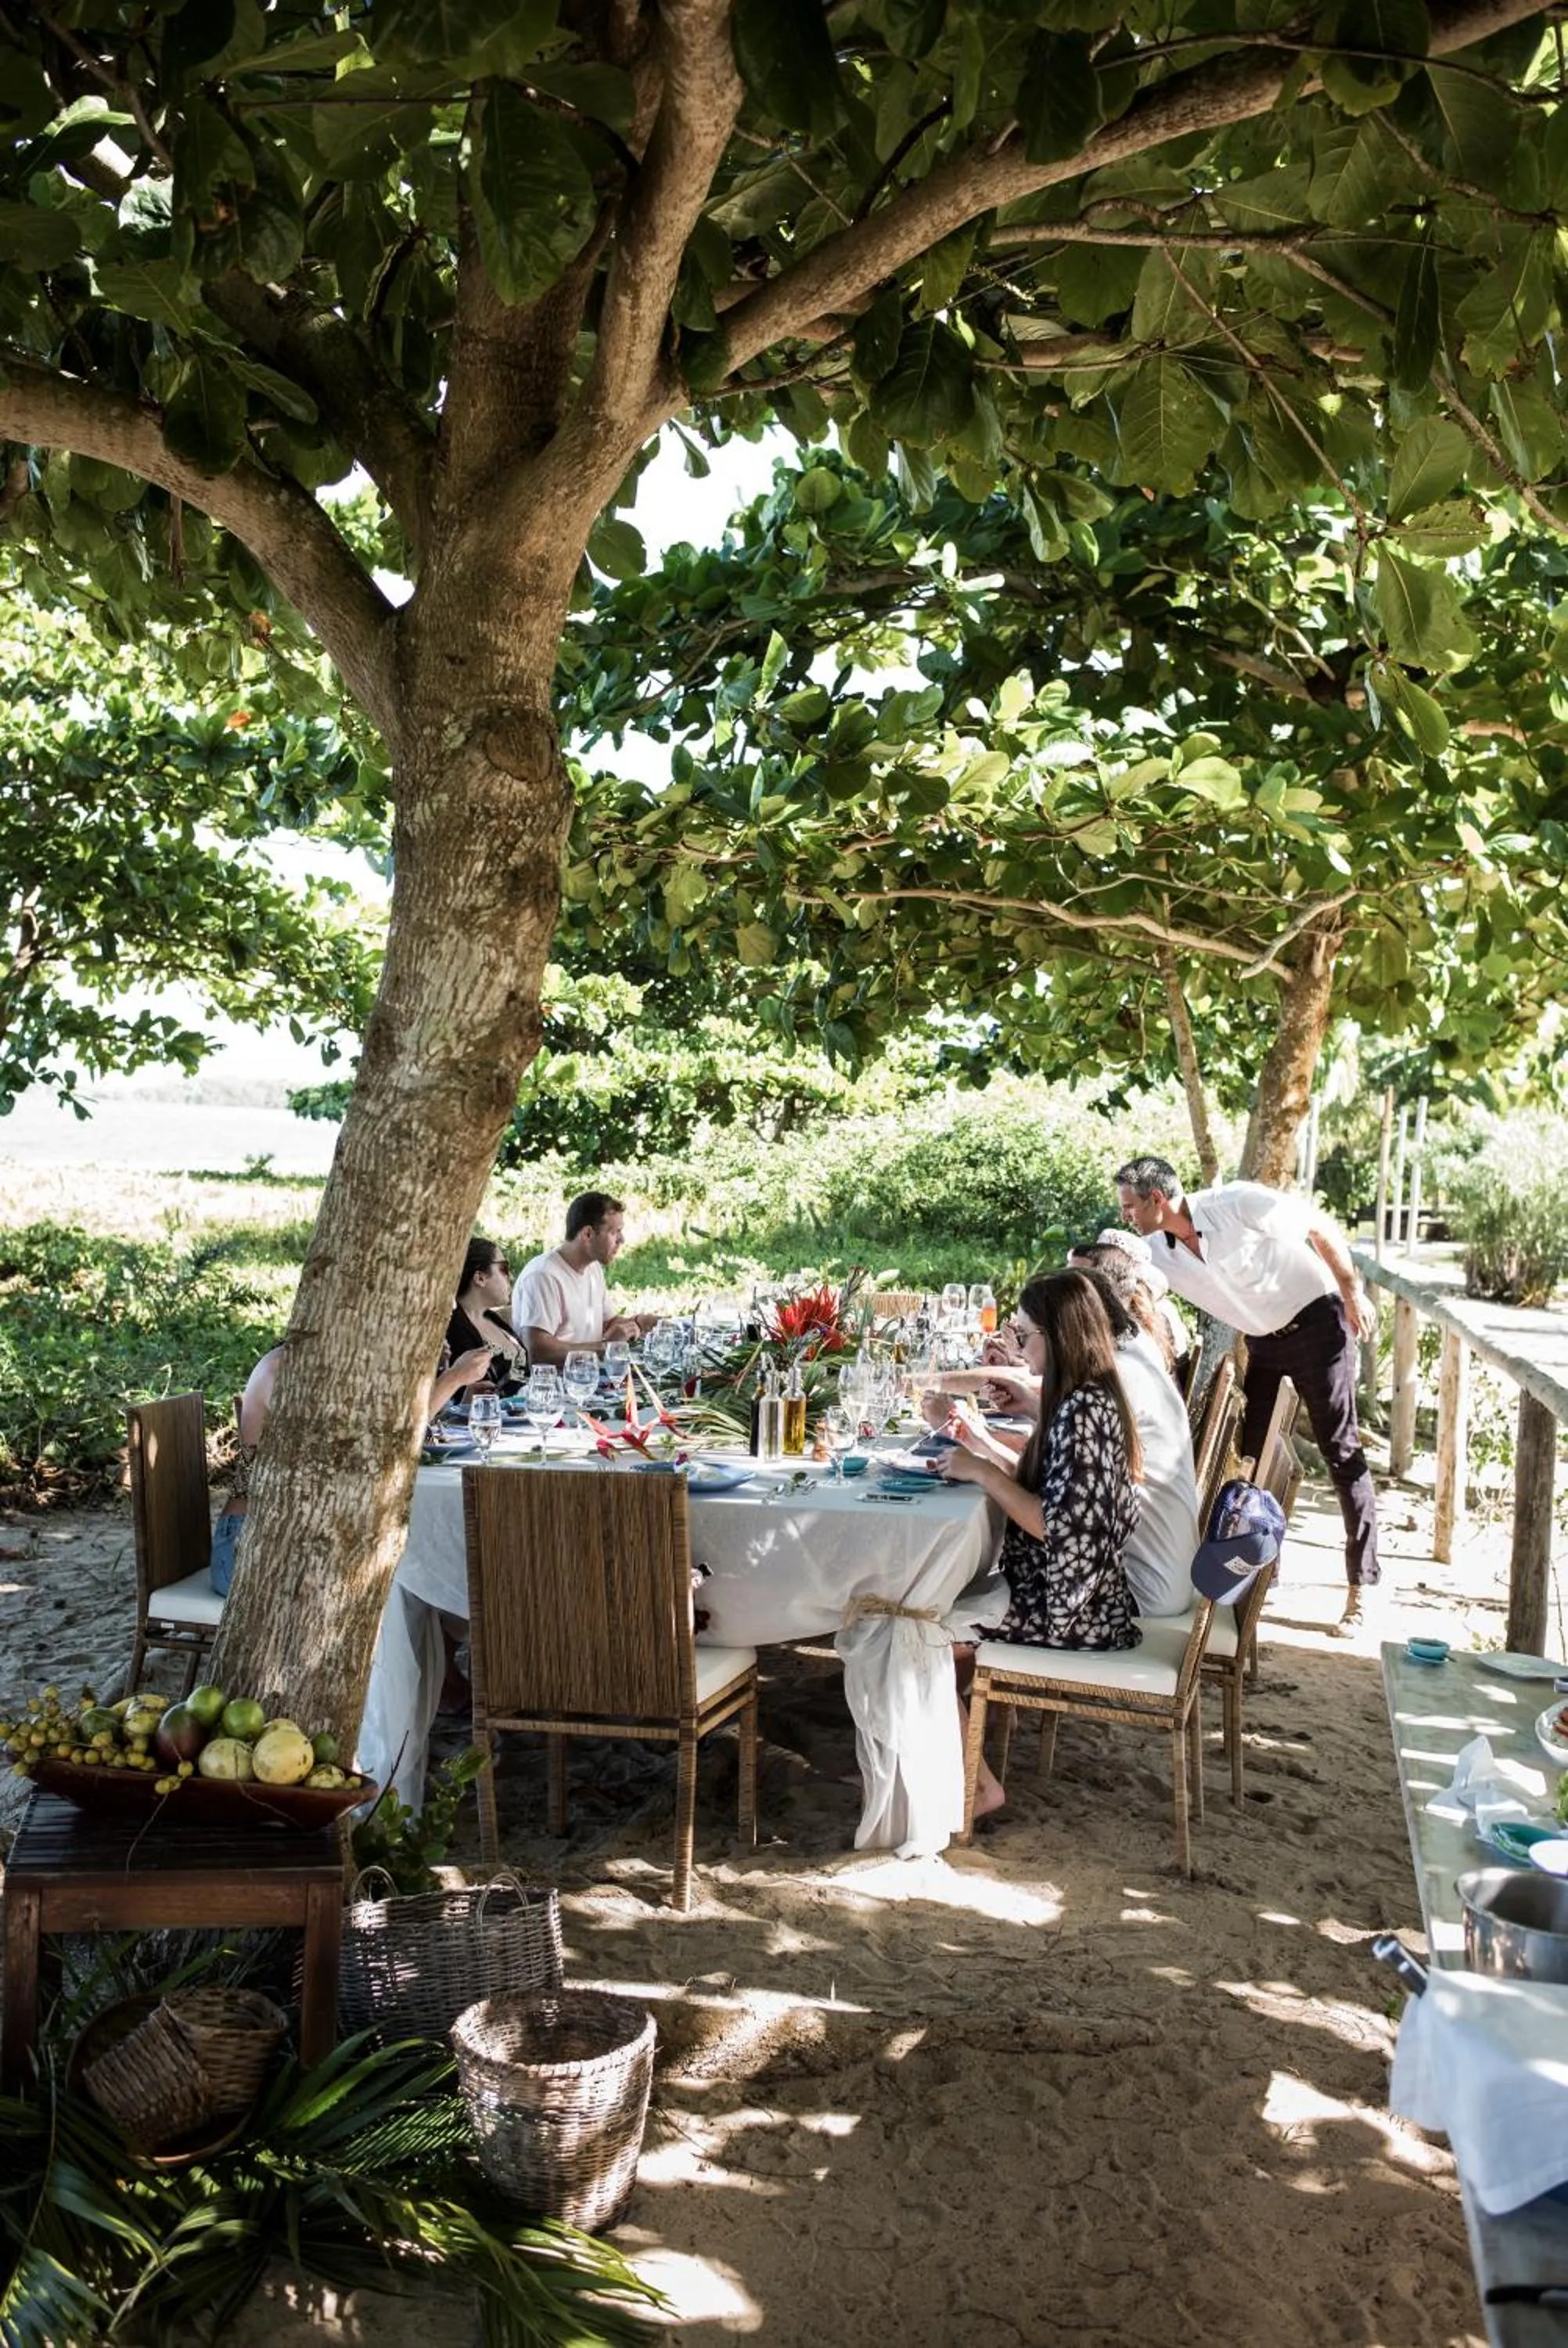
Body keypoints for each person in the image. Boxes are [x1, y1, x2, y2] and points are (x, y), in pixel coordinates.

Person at [1115, 1154, 1378, 1631]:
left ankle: (1361, 1587)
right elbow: (1133, 1295)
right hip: (1263, 1342)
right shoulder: (1156, 1251)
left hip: (1318, 1321)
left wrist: (1351, 1290)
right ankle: (1260, 1575)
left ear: (1157, 1199)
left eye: (1129, 1207)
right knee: (1251, 1461)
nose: (1125, 1217)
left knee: (1340, 1451)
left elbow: (1319, 1228)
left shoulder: (1236, 1203)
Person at [941, 1270, 1143, 1819]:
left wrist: (982, 1471)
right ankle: (940, 1753)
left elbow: (1056, 1526)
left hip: (1071, 1612)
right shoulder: (1086, 1399)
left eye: (1023, 1333)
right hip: (1087, 1598)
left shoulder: (1082, 1412)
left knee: (922, 1632)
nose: (1015, 1344)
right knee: (935, 1623)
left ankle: (978, 1788)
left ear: (1058, 1337)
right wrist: (992, 1439)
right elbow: (1055, 1491)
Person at [209, 1332, 495, 1595]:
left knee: (427, 1561)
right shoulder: (286, 1369)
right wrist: (453, 1380)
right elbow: (370, 1456)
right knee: (400, 1576)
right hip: (247, 1547)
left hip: (303, 1541)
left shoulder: (334, 1366)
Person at [510, 1191, 646, 1365]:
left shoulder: (593, 1267)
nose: (622, 1240)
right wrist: (605, 1348)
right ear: (588, 1234)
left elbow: (607, 1323)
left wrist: (640, 1323)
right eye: (615, 1232)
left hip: (589, 1378)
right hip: (556, 1386)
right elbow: (538, 1352)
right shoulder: (543, 1275)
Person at [447, 1238, 527, 1397]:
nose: (510, 1277)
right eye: (504, 1269)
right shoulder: (453, 1329)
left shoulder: (492, 1318)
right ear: (480, 1278)